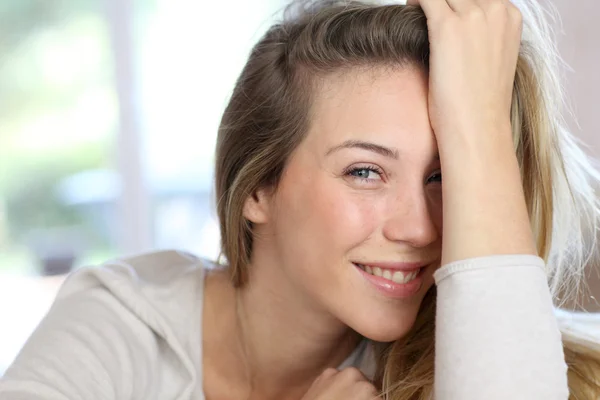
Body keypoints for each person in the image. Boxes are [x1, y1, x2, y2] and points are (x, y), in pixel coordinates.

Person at [1, 0, 600, 399]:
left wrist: (482, 127)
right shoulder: (121, 330)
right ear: (260, 185)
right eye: (365, 172)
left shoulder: (514, 356)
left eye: (446, 178)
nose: (420, 228)